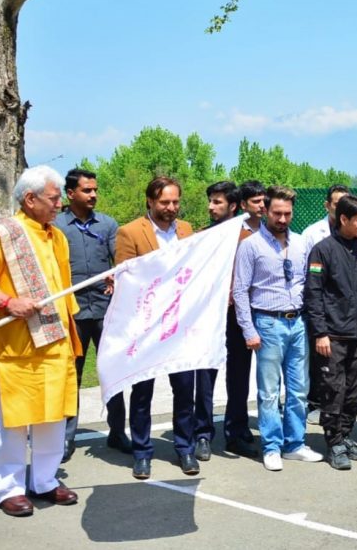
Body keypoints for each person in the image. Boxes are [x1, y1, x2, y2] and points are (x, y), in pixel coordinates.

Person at [0, 165, 81, 517]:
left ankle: (44, 480)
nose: (60, 203)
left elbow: (63, 289)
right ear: (30, 200)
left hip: (54, 342)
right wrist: (7, 301)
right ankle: (7, 487)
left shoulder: (57, 236)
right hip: (15, 346)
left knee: (52, 419)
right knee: (11, 423)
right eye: (54, 197)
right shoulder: (2, 236)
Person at [233, 185, 323, 472]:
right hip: (268, 323)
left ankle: (295, 443)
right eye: (277, 213)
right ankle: (271, 446)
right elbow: (239, 291)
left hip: (297, 322)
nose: (282, 219)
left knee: (299, 389)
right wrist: (249, 330)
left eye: (287, 213)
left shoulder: (301, 244)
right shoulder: (251, 246)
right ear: (265, 211)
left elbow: (309, 282)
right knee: (269, 391)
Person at [114, 176, 199, 480]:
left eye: (175, 202)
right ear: (150, 201)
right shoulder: (130, 232)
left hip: (180, 325)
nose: (171, 208)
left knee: (184, 389)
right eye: (165, 202)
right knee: (142, 392)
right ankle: (141, 453)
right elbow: (124, 280)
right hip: (146, 327)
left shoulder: (187, 230)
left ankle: (185, 449)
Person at [54, 168, 127, 463]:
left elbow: (120, 261)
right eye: (87, 190)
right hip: (71, 312)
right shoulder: (56, 226)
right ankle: (65, 438)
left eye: (95, 190)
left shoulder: (108, 224)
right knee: (72, 375)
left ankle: (118, 432)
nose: (93, 195)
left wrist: (116, 279)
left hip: (103, 310)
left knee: (113, 371)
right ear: (70, 194)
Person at [304, 195, 357, 470]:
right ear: (343, 219)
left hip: (356, 336)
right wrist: (320, 333)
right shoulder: (322, 250)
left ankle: (345, 437)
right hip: (331, 337)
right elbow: (314, 293)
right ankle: (333, 443)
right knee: (333, 391)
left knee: (353, 391)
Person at [193, 180, 240, 461]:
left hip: (239, 318)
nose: (211, 207)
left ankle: (236, 432)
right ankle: (202, 434)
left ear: (233, 206)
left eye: (217, 202)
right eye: (210, 201)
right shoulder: (201, 238)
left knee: (238, 379)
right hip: (208, 319)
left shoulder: (248, 237)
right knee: (205, 378)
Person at [222, 180, 265, 457]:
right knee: (238, 373)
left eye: (264, 200)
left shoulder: (273, 230)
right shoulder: (233, 232)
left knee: (269, 375)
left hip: (269, 310)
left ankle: (266, 428)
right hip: (239, 311)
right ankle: (235, 429)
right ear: (243, 205)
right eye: (256, 201)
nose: (262, 205)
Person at [300, 184, 350, 424]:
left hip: (342, 313)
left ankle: (331, 404)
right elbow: (309, 276)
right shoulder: (313, 233)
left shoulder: (353, 239)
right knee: (317, 358)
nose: (340, 207)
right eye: (336, 203)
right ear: (327, 205)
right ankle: (315, 403)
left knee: (337, 363)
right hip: (319, 307)